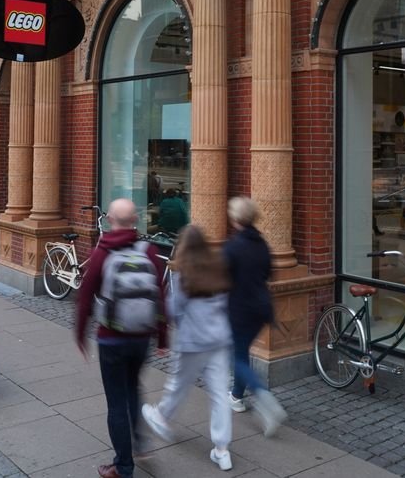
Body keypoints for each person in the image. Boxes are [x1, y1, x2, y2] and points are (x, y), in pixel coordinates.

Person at [75, 198, 168, 478]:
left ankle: (123, 467)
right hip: (141, 338)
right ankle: (140, 443)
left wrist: (80, 335)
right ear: (136, 220)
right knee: (133, 387)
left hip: (111, 339)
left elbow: (85, 297)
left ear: (110, 221)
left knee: (116, 402)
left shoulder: (103, 252)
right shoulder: (149, 251)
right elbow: (161, 297)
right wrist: (163, 338)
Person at [141, 225, 235, 471]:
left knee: (178, 384)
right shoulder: (219, 272)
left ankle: (162, 416)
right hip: (219, 339)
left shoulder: (183, 277)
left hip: (192, 341)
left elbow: (173, 310)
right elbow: (227, 305)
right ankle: (222, 450)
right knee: (219, 393)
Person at [224, 196, 287, 437]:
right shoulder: (262, 244)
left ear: (235, 218)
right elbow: (269, 274)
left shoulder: (232, 247)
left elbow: (221, 280)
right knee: (241, 352)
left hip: (240, 310)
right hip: (261, 309)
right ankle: (236, 397)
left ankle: (266, 399)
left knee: (237, 359)